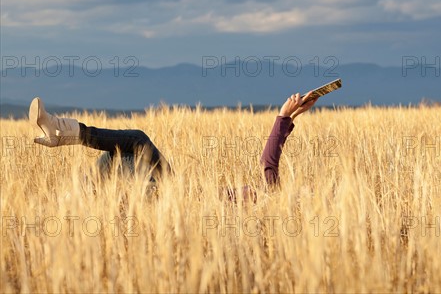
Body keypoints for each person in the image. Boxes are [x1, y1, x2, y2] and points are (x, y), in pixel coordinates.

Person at [29, 92, 318, 192]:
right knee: (123, 151)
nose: (305, 189)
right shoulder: (268, 194)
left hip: (174, 202)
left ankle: (63, 133)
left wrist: (283, 115)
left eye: (307, 194)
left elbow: (268, 163)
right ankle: (75, 187)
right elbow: (269, 163)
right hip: (175, 192)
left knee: (136, 143)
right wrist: (290, 116)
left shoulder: (273, 198)